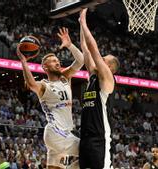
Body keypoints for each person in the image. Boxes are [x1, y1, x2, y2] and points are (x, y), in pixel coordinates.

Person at [17, 27, 84, 169]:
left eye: (57, 60)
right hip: (56, 132)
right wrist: (24, 62)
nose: (58, 62)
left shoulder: (65, 77)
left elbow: (81, 61)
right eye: (53, 61)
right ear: (45, 67)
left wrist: (70, 45)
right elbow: (31, 84)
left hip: (63, 134)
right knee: (88, 150)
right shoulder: (43, 85)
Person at [79, 9, 120, 169]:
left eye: (104, 59)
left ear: (109, 66)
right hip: (85, 138)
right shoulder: (93, 75)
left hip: (99, 140)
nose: (100, 58)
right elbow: (85, 47)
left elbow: (93, 48)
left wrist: (84, 21)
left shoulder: (108, 79)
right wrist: (80, 23)